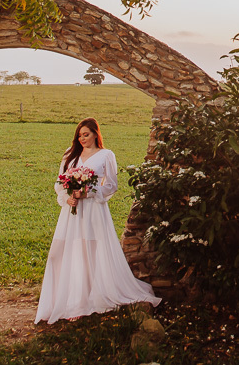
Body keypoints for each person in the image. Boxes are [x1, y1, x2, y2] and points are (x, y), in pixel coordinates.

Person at [35, 117, 161, 324]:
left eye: (86, 134)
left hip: (93, 210)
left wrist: (89, 192)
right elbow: (59, 183)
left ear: (95, 134)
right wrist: (67, 198)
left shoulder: (106, 155)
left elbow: (111, 185)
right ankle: (62, 296)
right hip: (71, 210)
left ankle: (86, 298)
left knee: (89, 251)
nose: (82, 138)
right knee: (60, 252)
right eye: (80, 135)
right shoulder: (70, 154)